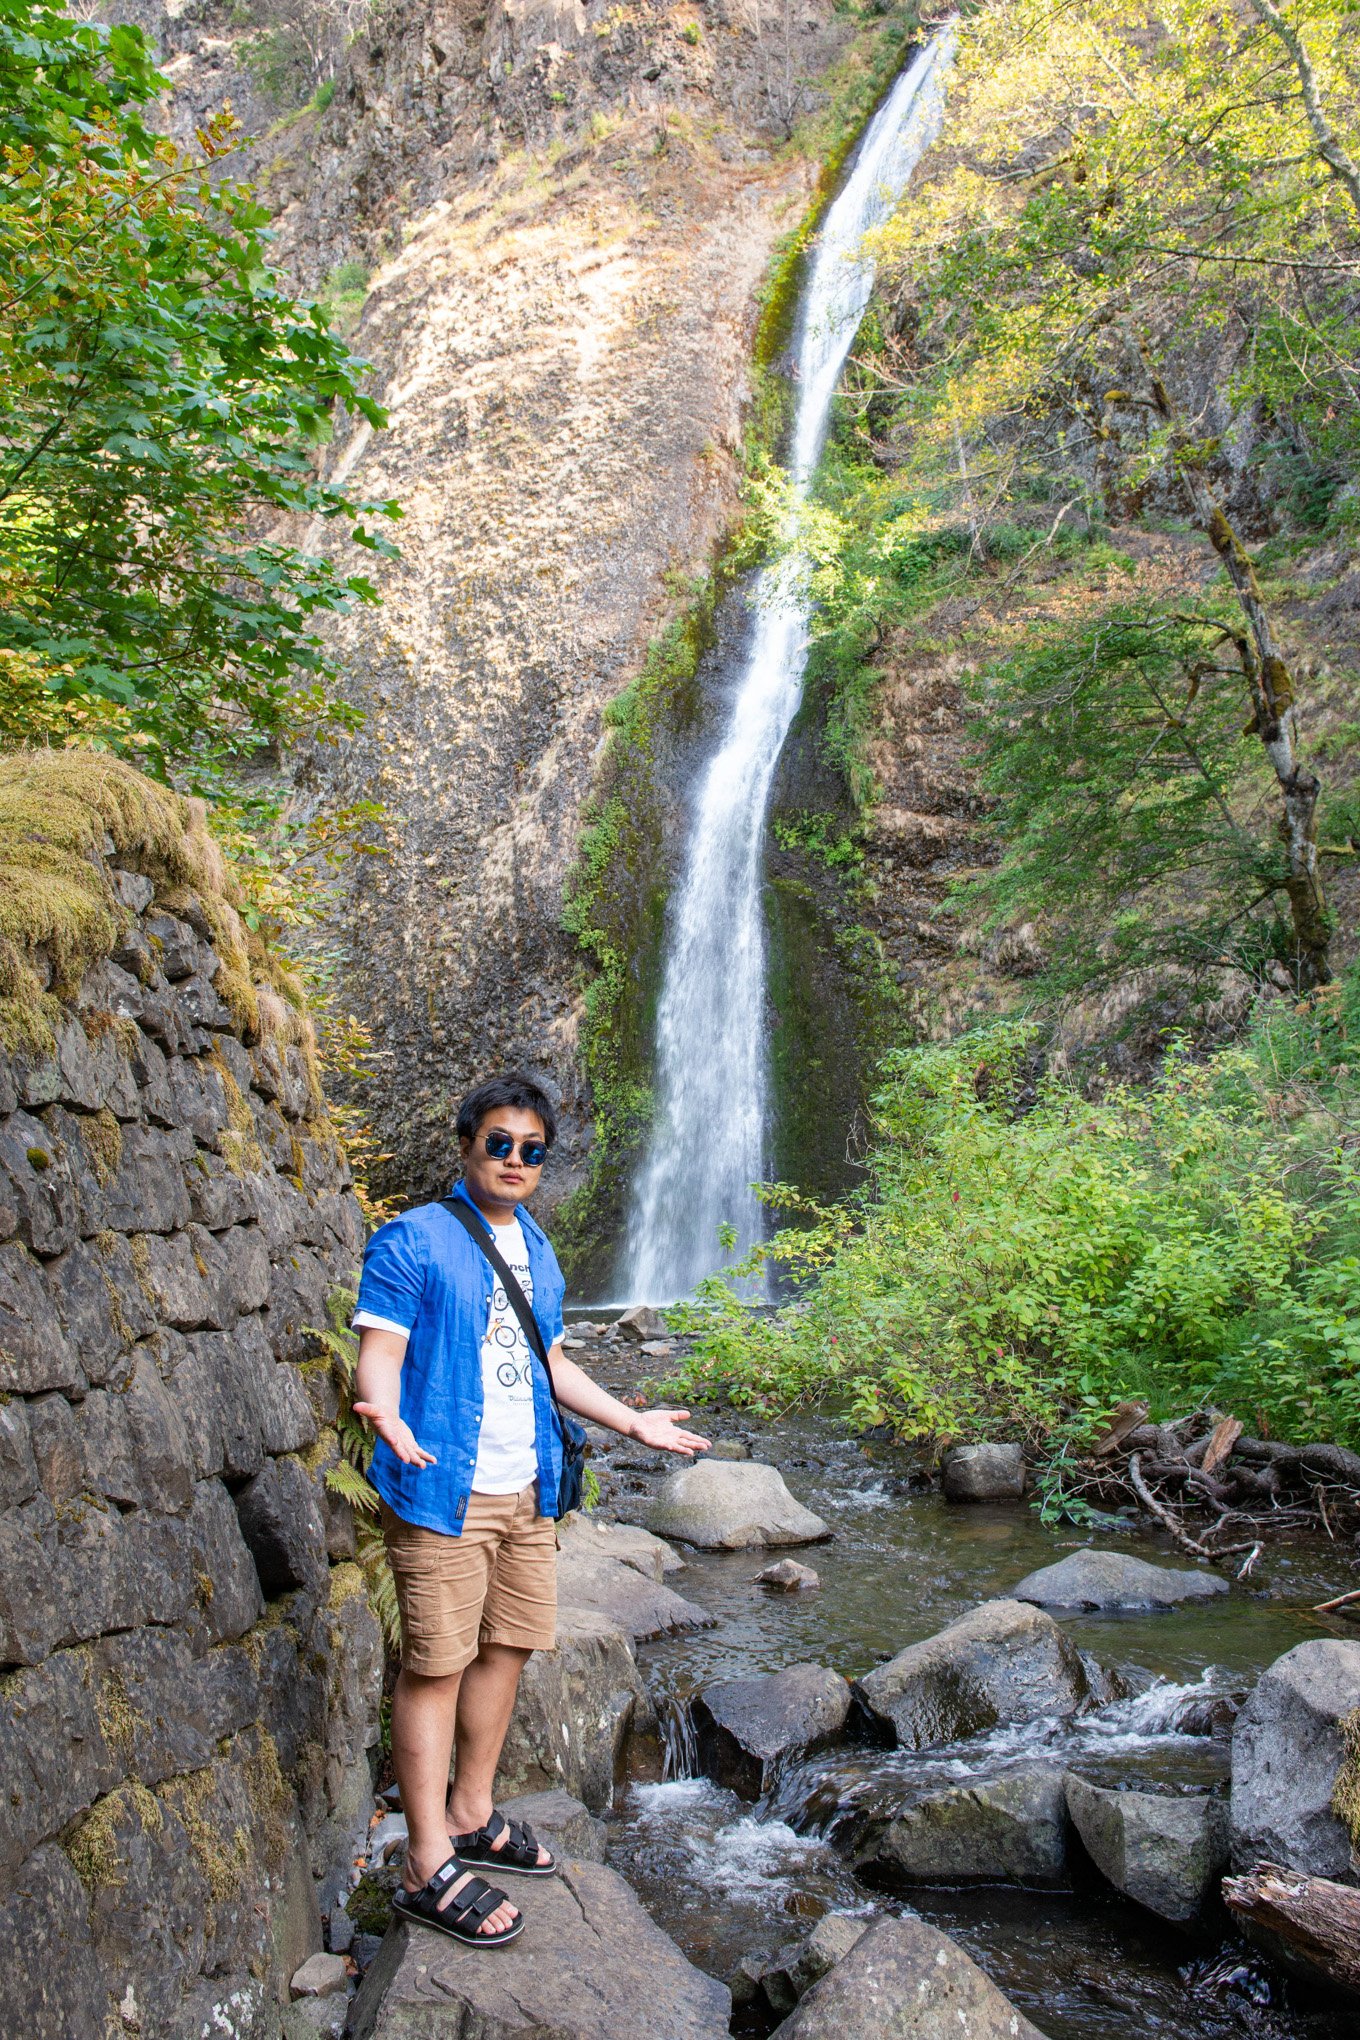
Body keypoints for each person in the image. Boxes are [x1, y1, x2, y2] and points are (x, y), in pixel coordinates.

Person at [351, 1071, 709, 1946]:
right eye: (499, 1143)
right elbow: (382, 1346)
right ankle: (425, 1859)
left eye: (532, 1150)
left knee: (507, 1647)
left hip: (528, 1488)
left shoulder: (539, 1250)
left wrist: (632, 1419)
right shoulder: (416, 1239)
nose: (515, 1160)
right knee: (435, 1664)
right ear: (467, 1145)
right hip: (442, 1482)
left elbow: (551, 1362)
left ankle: (473, 1811)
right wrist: (386, 1411)